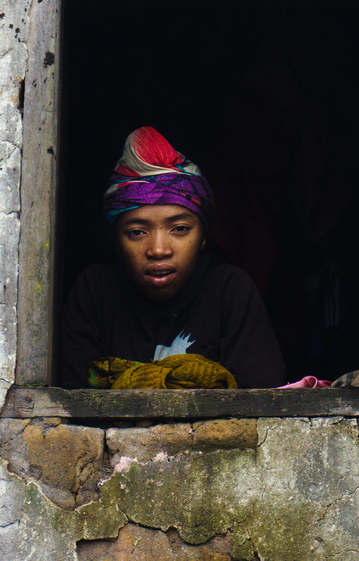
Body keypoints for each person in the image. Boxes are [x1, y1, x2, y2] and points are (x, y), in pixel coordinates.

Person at [59, 126, 286, 389]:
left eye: (179, 229)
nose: (158, 249)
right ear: (117, 242)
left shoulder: (229, 290)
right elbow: (68, 396)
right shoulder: (95, 291)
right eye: (136, 232)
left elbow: (261, 398)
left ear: (203, 237)